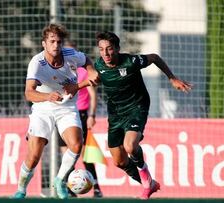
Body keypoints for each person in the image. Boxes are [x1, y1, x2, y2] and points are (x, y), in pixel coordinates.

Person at [92, 31, 192, 199]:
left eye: (109, 49)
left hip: (137, 107)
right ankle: (149, 183)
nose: (106, 53)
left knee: (130, 146)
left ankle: (147, 183)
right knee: (119, 161)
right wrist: (75, 87)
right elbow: (96, 79)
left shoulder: (131, 62)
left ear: (117, 48)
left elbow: (154, 57)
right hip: (115, 114)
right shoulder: (99, 65)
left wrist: (172, 78)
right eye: (101, 49)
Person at [12, 23, 98, 199]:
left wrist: (88, 74)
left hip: (67, 107)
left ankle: (60, 180)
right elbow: (29, 93)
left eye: (59, 42)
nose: (56, 45)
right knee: (34, 155)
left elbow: (88, 62)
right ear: (44, 43)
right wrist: (47, 97)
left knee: (76, 144)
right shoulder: (37, 62)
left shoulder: (71, 55)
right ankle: (21, 189)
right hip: (42, 109)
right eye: (52, 41)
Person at [57, 40, 103, 198]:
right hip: (62, 114)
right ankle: (70, 189)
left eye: (71, 52)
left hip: (80, 114)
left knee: (83, 154)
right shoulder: (59, 71)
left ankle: (96, 187)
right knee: (66, 154)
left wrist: (92, 115)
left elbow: (93, 96)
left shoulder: (83, 72)